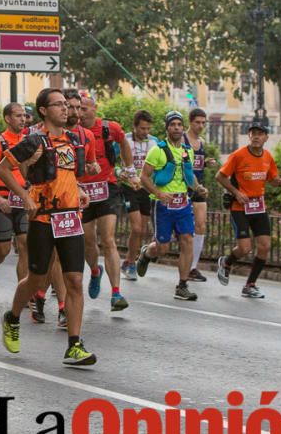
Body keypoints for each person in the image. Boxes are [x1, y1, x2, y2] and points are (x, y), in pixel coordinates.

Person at [0, 87, 95, 365]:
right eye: (60, 105)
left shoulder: (73, 141)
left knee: (74, 280)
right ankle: (12, 317)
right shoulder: (34, 141)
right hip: (42, 219)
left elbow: (67, 175)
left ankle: (74, 345)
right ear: (43, 110)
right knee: (37, 279)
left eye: (68, 105)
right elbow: (2, 169)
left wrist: (79, 190)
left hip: (70, 218)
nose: (67, 109)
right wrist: (25, 196)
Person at [136, 111, 207, 300]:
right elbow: (144, 177)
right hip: (163, 206)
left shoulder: (187, 150)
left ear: (183, 128)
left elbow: (188, 174)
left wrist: (198, 188)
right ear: (167, 128)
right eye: (173, 124)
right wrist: (158, 193)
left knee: (187, 241)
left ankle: (182, 286)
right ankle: (147, 253)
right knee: (163, 248)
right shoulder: (157, 150)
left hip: (183, 204)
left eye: (179, 124)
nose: (176, 127)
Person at [215, 118, 281, 299]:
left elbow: (272, 179)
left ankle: (250, 285)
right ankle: (226, 262)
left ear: (266, 137)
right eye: (253, 133)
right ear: (249, 136)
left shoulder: (267, 157)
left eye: (260, 134)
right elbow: (220, 176)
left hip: (258, 207)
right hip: (240, 207)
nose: (256, 137)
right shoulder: (238, 155)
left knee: (264, 246)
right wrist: (236, 192)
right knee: (244, 248)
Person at [77, 92, 135, 311]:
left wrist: (129, 169)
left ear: (95, 108)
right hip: (82, 191)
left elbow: (124, 143)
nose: (81, 113)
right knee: (88, 241)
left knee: (108, 239)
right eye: (78, 109)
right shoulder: (73, 131)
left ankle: (116, 293)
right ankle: (94, 271)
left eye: (85, 109)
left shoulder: (109, 128)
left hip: (107, 188)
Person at [0, 103, 30, 296]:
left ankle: (22, 292)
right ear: (8, 118)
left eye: (24, 116)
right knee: (3, 249)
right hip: (3, 201)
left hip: (24, 201)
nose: (23, 119)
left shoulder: (29, 141)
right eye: (18, 116)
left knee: (25, 245)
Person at [120, 110, 157, 281]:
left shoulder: (154, 142)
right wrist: (119, 171)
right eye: (142, 128)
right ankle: (130, 263)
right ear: (134, 127)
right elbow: (110, 161)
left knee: (141, 230)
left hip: (145, 188)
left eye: (148, 128)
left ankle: (129, 260)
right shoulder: (124, 140)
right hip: (128, 187)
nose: (145, 132)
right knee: (135, 228)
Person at [183, 108, 216, 282]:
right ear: (190, 122)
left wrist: (206, 163)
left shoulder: (201, 142)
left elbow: (197, 165)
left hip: (199, 188)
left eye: (204, 122)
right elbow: (185, 166)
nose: (201, 125)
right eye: (198, 122)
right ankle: (152, 248)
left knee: (201, 225)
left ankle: (192, 267)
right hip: (182, 188)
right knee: (182, 230)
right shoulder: (182, 140)